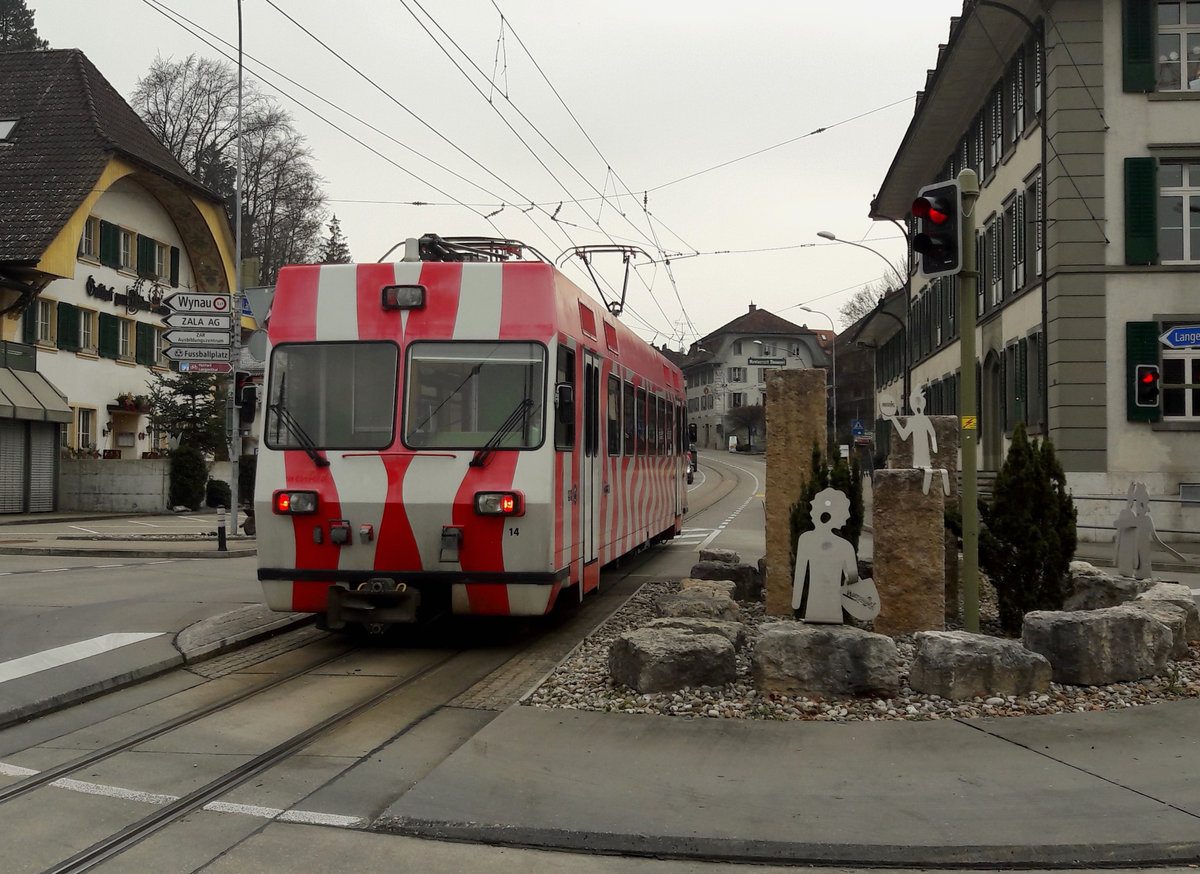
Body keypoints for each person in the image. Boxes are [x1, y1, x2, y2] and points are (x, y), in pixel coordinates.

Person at [792, 487, 859, 624]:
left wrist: (796, 603)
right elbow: (852, 581)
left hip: (813, 609)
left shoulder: (806, 539)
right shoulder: (846, 546)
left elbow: (800, 575)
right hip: (834, 610)